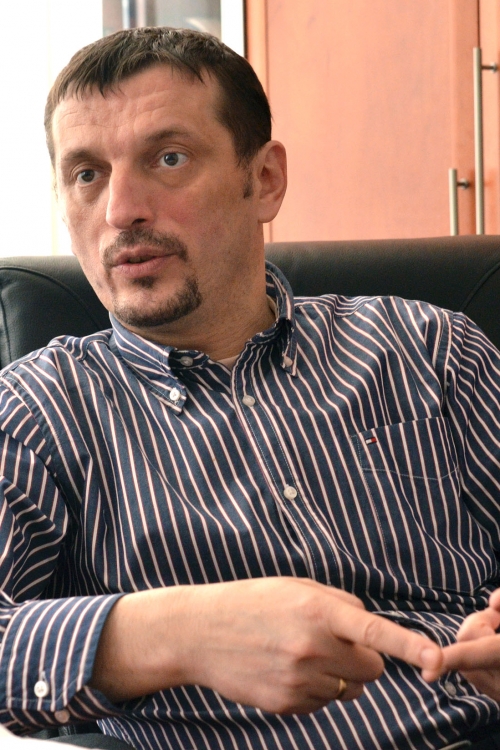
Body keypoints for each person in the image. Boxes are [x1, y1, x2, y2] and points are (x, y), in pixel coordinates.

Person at [1, 25, 500, 750]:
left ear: (264, 180)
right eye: (87, 174)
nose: (119, 210)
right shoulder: (36, 410)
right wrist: (179, 633)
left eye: (168, 158)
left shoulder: (429, 348)